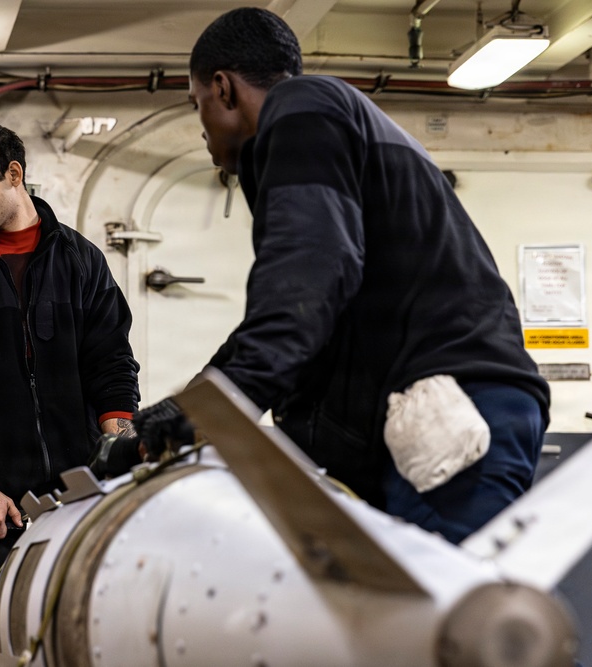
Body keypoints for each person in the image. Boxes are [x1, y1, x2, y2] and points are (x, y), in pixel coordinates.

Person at [138, 6, 550, 546]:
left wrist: (214, 415)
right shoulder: (330, 124)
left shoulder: (302, 107)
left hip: (447, 407)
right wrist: (191, 406)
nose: (202, 129)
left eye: (198, 106)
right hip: (435, 405)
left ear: (224, 88)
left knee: (448, 621)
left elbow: (308, 286)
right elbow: (303, 310)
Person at [0, 121, 139, 666]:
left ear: (14, 176)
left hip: (74, 496)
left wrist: (120, 462)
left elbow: (111, 367)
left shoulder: (81, 261)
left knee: (80, 645)